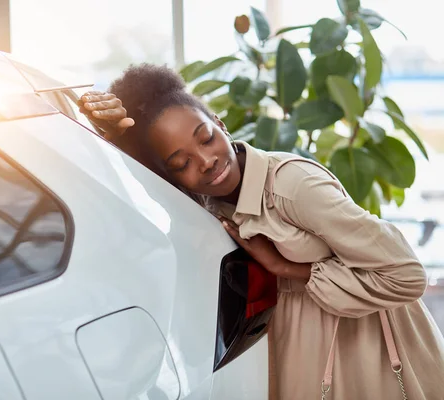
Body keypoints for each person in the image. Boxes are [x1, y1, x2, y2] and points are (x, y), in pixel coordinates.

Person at [78, 63, 444, 399]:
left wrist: (288, 269)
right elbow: (136, 192)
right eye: (182, 163)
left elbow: (407, 275)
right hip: (294, 351)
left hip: (362, 349)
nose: (206, 162)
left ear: (220, 124)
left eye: (205, 138)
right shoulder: (208, 205)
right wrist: (115, 136)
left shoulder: (293, 186)